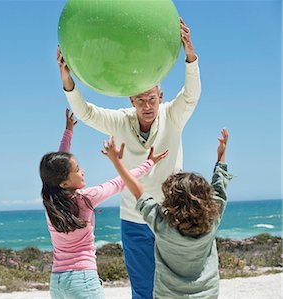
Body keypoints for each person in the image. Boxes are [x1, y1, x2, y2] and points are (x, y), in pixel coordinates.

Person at [57, 17, 201, 299]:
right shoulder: (120, 121)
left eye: (152, 99)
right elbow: (85, 113)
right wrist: (67, 82)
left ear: (160, 95)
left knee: (176, 287)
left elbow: (192, 95)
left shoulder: (173, 115)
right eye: (140, 100)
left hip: (170, 215)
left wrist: (190, 55)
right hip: (134, 220)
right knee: (142, 289)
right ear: (131, 101)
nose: (147, 106)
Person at [40, 109, 168, 299]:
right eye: (77, 169)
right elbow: (121, 181)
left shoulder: (49, 201)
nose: (82, 171)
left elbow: (58, 166)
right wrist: (149, 163)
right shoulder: (86, 198)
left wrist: (68, 132)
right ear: (65, 183)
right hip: (83, 279)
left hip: (57, 282)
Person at [101, 129, 232, 299]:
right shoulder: (213, 218)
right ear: (205, 197)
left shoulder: (161, 223)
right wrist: (221, 154)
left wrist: (117, 163)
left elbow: (137, 189)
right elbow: (220, 183)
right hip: (207, 294)